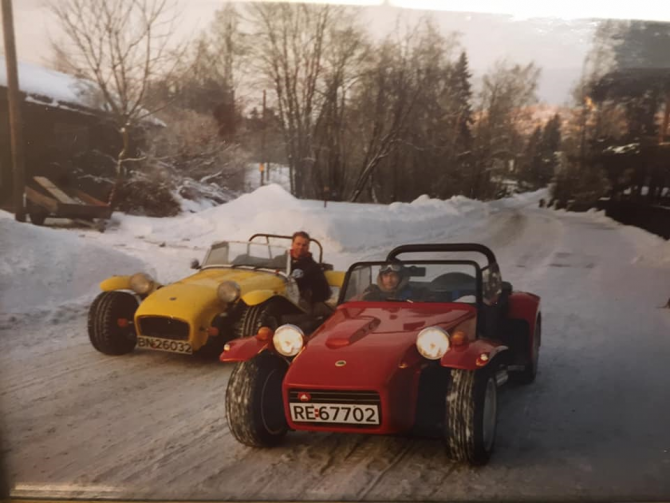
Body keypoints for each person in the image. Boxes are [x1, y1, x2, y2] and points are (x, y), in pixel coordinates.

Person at [289, 231, 332, 306]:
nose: (301, 247)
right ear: (292, 244)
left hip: (298, 304)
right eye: (298, 244)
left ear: (308, 247)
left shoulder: (313, 267)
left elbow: (324, 292)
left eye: (304, 245)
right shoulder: (280, 259)